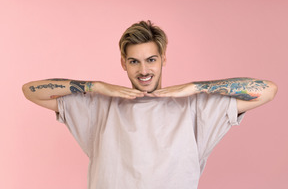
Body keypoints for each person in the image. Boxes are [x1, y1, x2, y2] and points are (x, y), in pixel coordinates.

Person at [22, 20, 277, 189]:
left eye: (151, 59)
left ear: (163, 59)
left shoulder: (196, 108)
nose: (144, 70)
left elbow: (267, 90)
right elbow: (31, 90)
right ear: (123, 63)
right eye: (134, 62)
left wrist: (195, 87)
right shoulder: (98, 106)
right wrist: (96, 86)